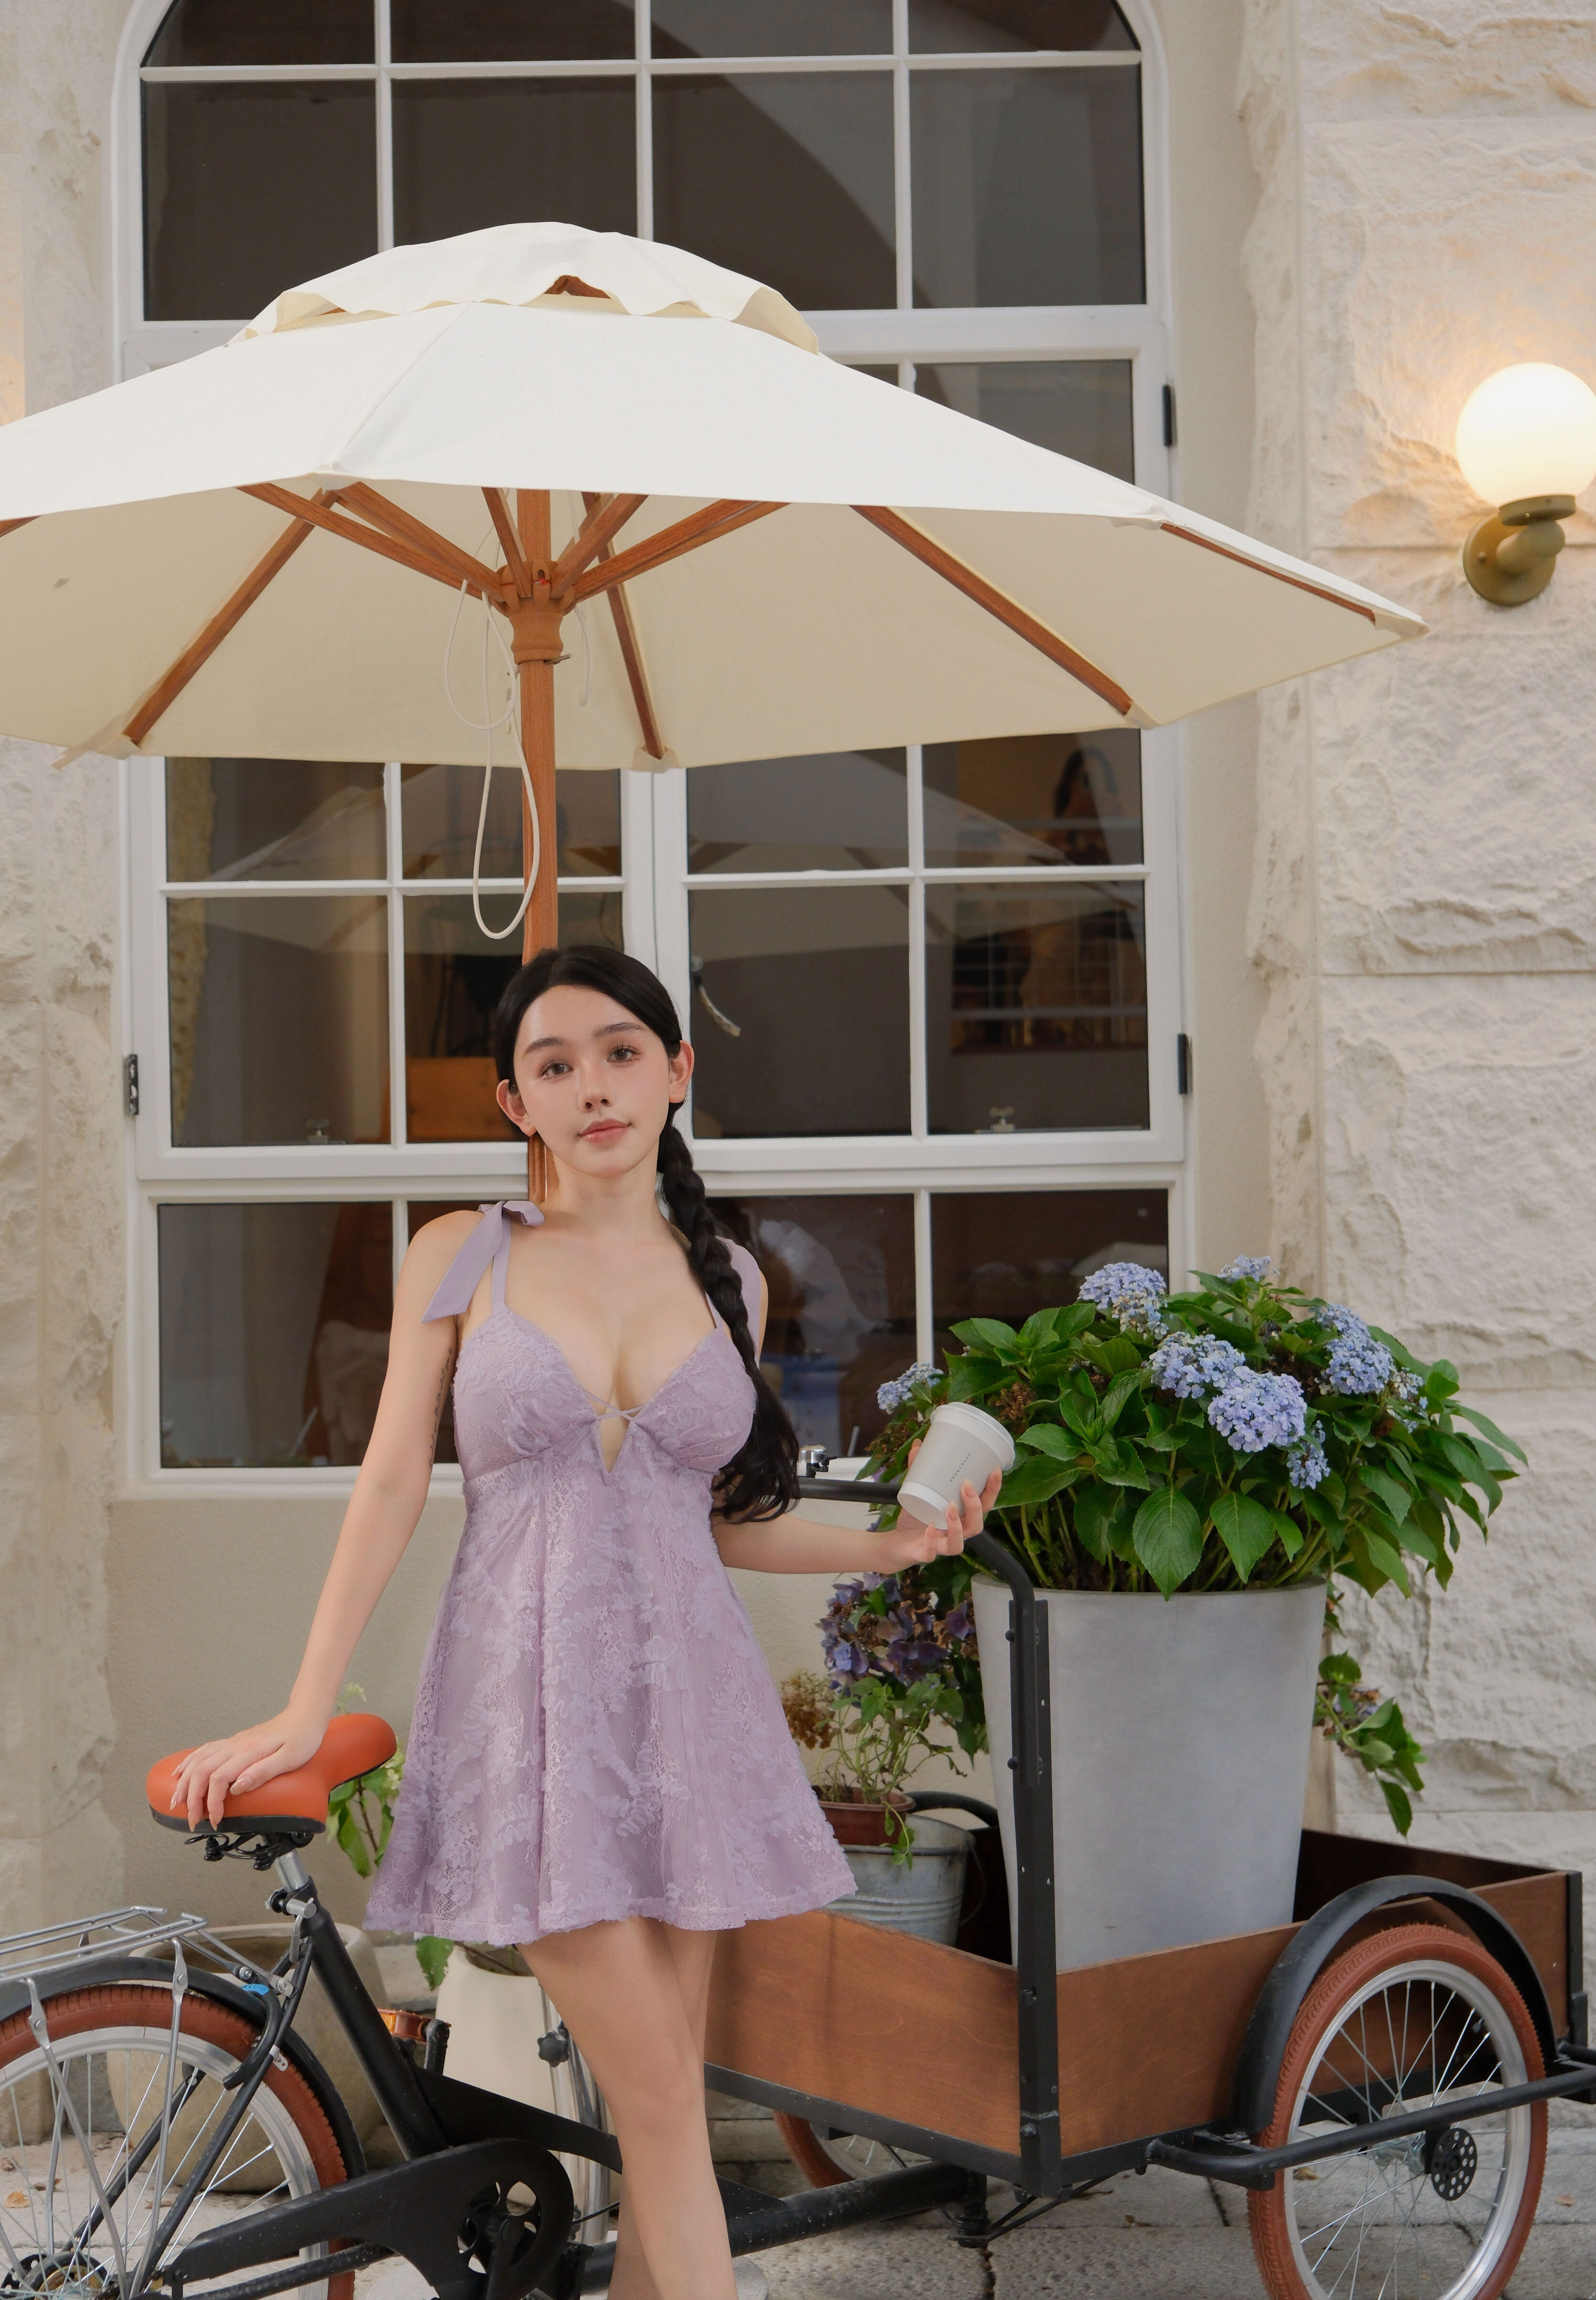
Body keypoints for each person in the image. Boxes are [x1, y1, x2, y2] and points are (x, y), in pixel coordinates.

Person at [172, 945, 1002, 2300]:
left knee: (660, 2107)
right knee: (668, 2108)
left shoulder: (730, 1276)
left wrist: (896, 1546)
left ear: (678, 1071)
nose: (593, 1087)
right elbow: (390, 1482)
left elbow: (711, 1521)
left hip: (689, 1721)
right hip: (528, 1713)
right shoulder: (463, 1251)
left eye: (621, 1053)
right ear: (516, 1102)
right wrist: (306, 1703)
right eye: (554, 1066)